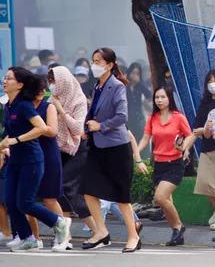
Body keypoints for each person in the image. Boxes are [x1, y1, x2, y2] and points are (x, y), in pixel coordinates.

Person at [1, 67, 71, 251]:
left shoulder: (24, 105)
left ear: (20, 84)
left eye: (9, 78)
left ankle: (59, 221)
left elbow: (41, 128)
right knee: (10, 201)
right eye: (5, 77)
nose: (4, 81)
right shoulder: (8, 105)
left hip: (31, 159)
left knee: (25, 203)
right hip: (15, 160)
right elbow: (8, 133)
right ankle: (27, 238)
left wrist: (16, 140)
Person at [79, 48, 140, 253]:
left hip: (116, 146)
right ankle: (101, 232)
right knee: (88, 188)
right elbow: (93, 112)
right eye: (93, 60)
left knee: (121, 195)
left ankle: (133, 236)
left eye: (98, 61)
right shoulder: (97, 86)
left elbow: (122, 117)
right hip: (97, 145)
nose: (94, 65)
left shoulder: (117, 86)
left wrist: (101, 126)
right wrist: (88, 127)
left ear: (110, 64)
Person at [48, 66, 100, 247]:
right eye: (50, 82)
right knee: (61, 190)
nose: (52, 85)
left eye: (55, 81)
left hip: (78, 148)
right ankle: (67, 236)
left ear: (64, 81)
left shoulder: (78, 100)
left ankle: (99, 231)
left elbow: (78, 129)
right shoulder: (52, 99)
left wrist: (61, 111)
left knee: (67, 186)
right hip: (59, 149)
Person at [136, 87, 191, 246]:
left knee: (160, 198)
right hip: (158, 164)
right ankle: (176, 233)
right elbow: (146, 139)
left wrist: (183, 148)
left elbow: (189, 135)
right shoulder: (153, 117)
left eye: (163, 97)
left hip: (174, 164)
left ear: (169, 99)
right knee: (167, 202)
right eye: (157, 97)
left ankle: (179, 226)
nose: (159, 100)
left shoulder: (178, 117)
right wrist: (137, 153)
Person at [26, 77, 65, 248]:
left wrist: (35, 126)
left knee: (50, 199)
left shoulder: (47, 106)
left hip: (48, 155)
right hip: (28, 155)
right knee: (27, 199)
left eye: (43, 89)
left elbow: (52, 131)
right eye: (37, 89)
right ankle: (34, 238)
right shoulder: (24, 106)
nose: (41, 92)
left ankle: (63, 237)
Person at [188, 70, 215, 231]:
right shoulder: (204, 103)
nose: (213, 84)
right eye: (210, 81)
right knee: (204, 183)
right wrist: (186, 147)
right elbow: (197, 127)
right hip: (206, 147)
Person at [125, 63, 152, 157]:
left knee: (142, 138)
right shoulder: (125, 85)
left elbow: (149, 96)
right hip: (127, 118)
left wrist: (139, 83)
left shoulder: (140, 86)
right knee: (129, 141)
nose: (135, 76)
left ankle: (144, 159)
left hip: (139, 117)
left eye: (137, 74)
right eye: (133, 73)